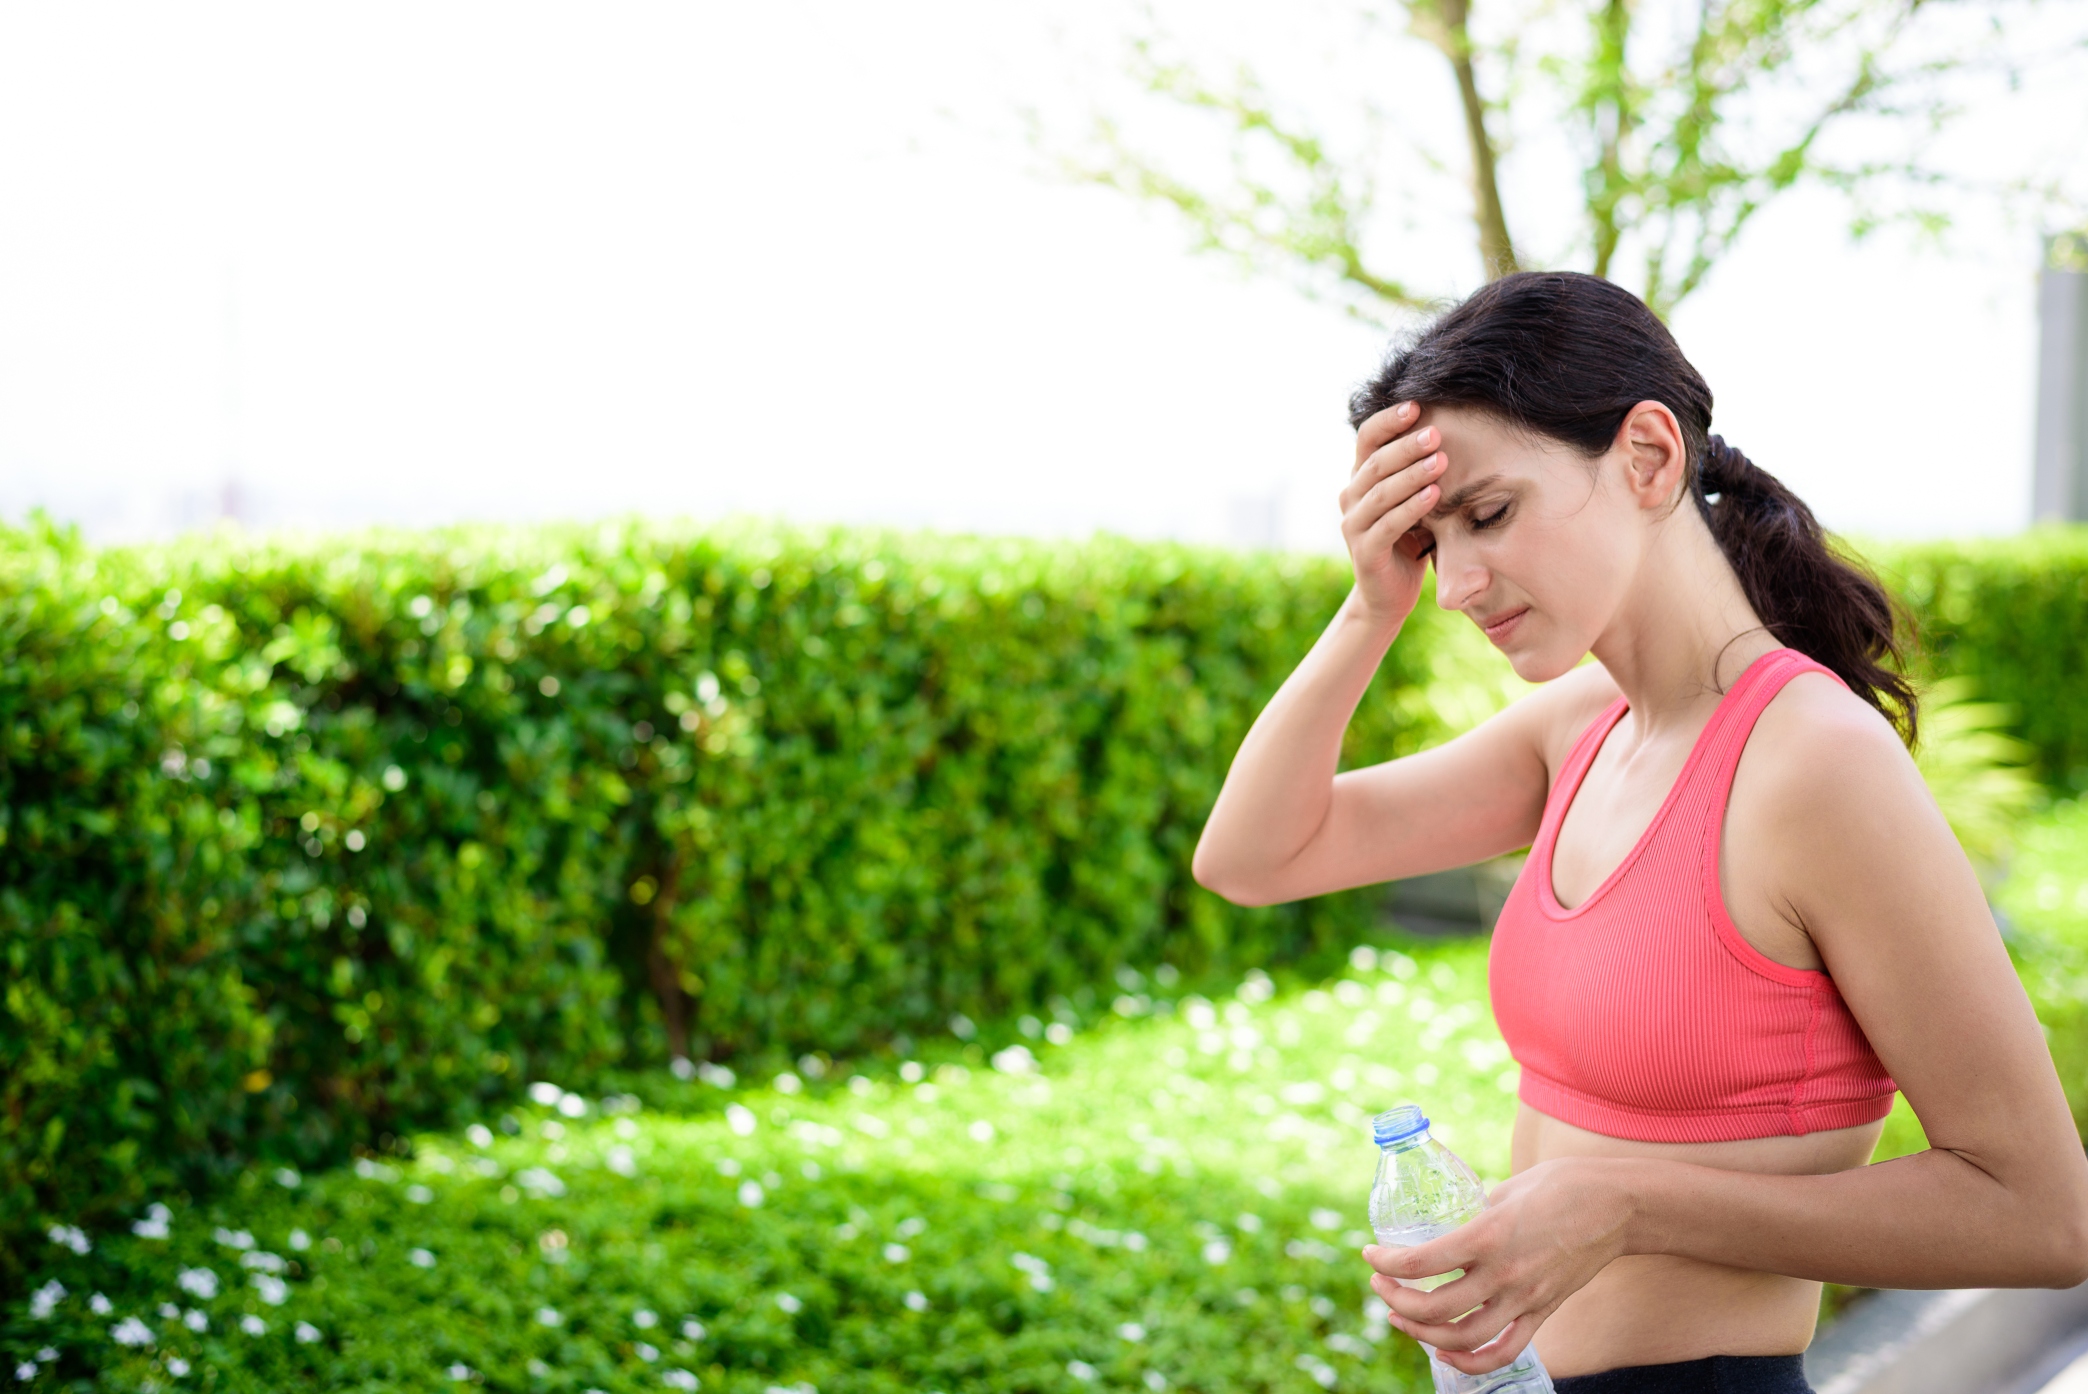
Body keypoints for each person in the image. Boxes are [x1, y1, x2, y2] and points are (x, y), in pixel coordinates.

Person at [1191, 271, 2088, 1393]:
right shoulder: (1581, 730)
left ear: (1649, 457)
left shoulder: (1812, 763)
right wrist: (1371, 602)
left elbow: (2043, 1214)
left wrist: (1622, 1205)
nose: (1458, 583)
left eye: (1490, 512)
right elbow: (1253, 856)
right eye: (1430, 539)